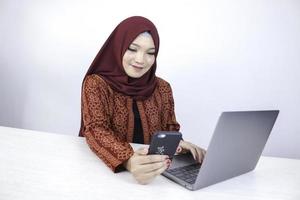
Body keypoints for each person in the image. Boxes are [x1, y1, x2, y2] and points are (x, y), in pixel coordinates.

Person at [79, 16, 205, 185]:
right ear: (118, 47)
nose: (140, 60)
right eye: (132, 49)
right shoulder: (96, 84)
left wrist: (180, 144)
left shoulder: (162, 88)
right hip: (103, 176)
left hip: (154, 178)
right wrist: (129, 161)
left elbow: (168, 129)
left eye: (150, 53)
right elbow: (96, 130)